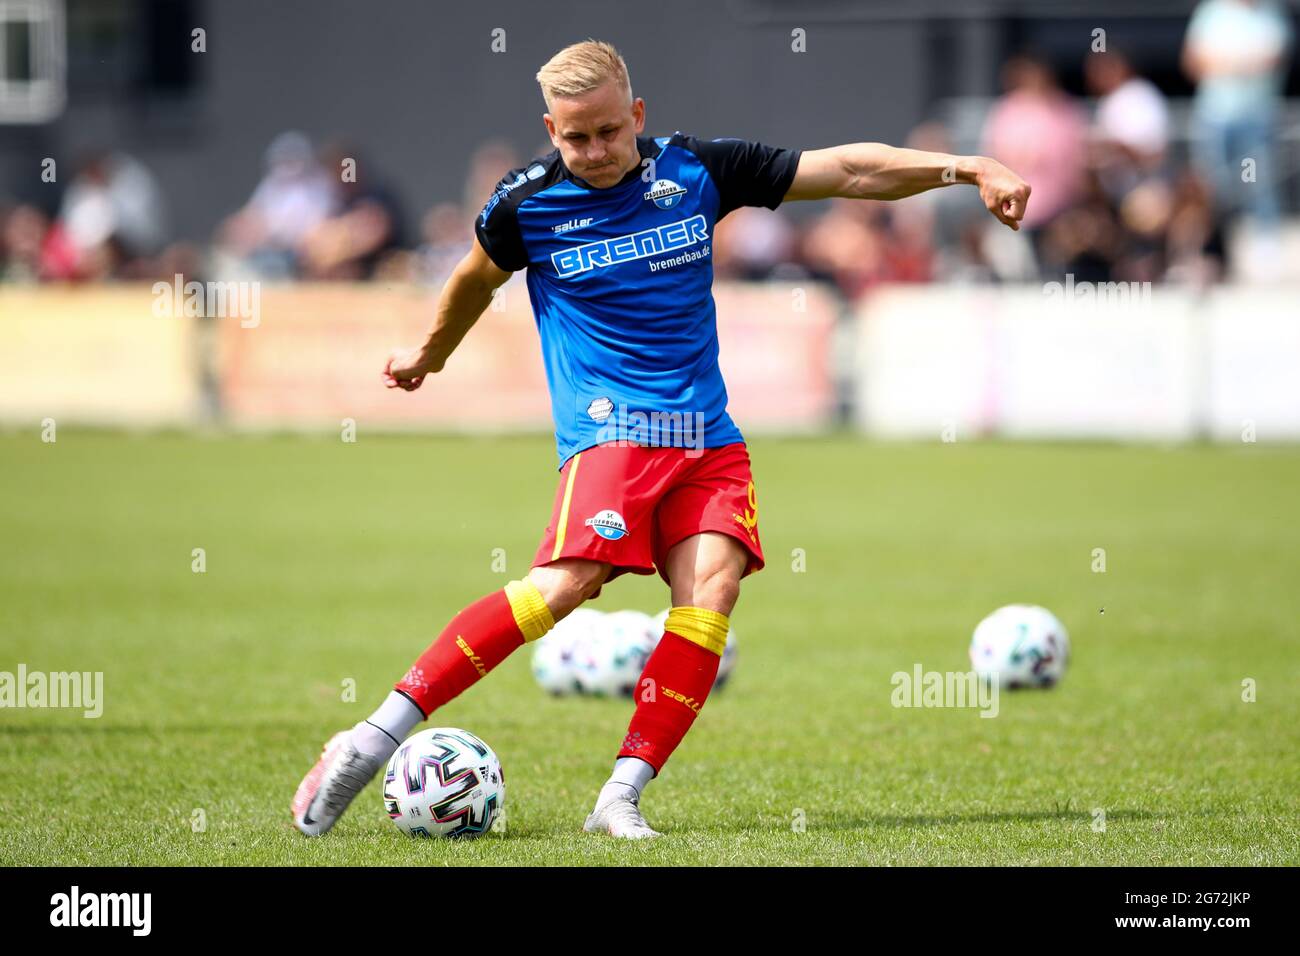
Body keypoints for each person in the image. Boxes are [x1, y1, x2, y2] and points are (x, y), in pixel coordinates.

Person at [291, 39, 1030, 840]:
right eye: (575, 138)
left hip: (707, 435)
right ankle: (370, 739)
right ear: (551, 130)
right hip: (613, 432)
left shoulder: (698, 171)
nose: (595, 152)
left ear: (636, 115)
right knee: (565, 585)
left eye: (609, 131)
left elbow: (847, 171)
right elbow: (475, 277)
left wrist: (968, 166)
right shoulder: (524, 204)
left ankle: (620, 796)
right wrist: (429, 354)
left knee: (711, 592)